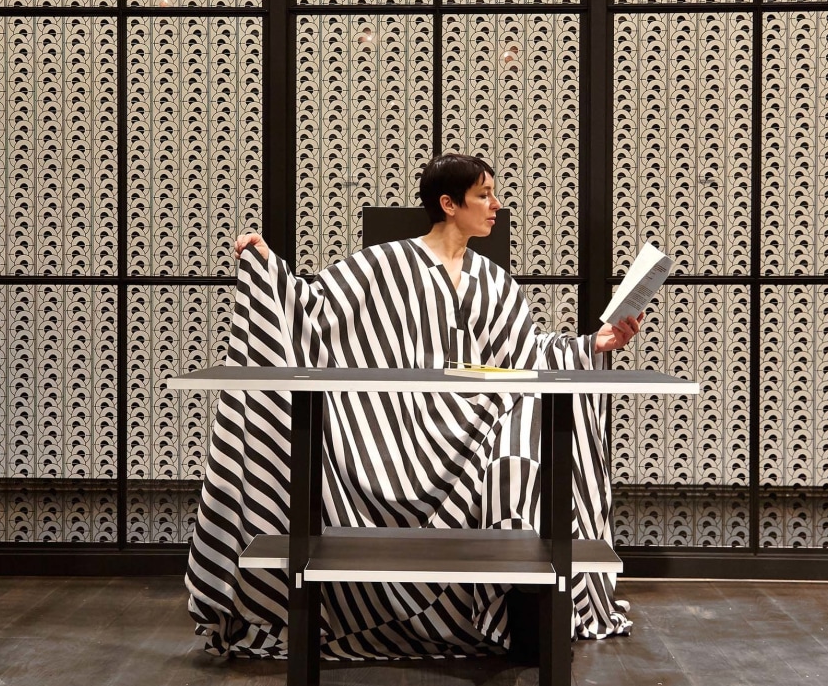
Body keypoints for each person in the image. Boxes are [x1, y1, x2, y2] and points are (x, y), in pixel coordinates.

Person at [185, 154, 643, 659]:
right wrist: (268, 267)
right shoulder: (384, 264)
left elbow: (530, 353)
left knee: (533, 429)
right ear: (449, 205)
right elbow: (309, 306)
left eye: (493, 194)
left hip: (474, 433)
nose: (496, 206)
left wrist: (593, 345)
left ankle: (526, 610)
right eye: (483, 195)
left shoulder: (495, 282)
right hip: (395, 434)